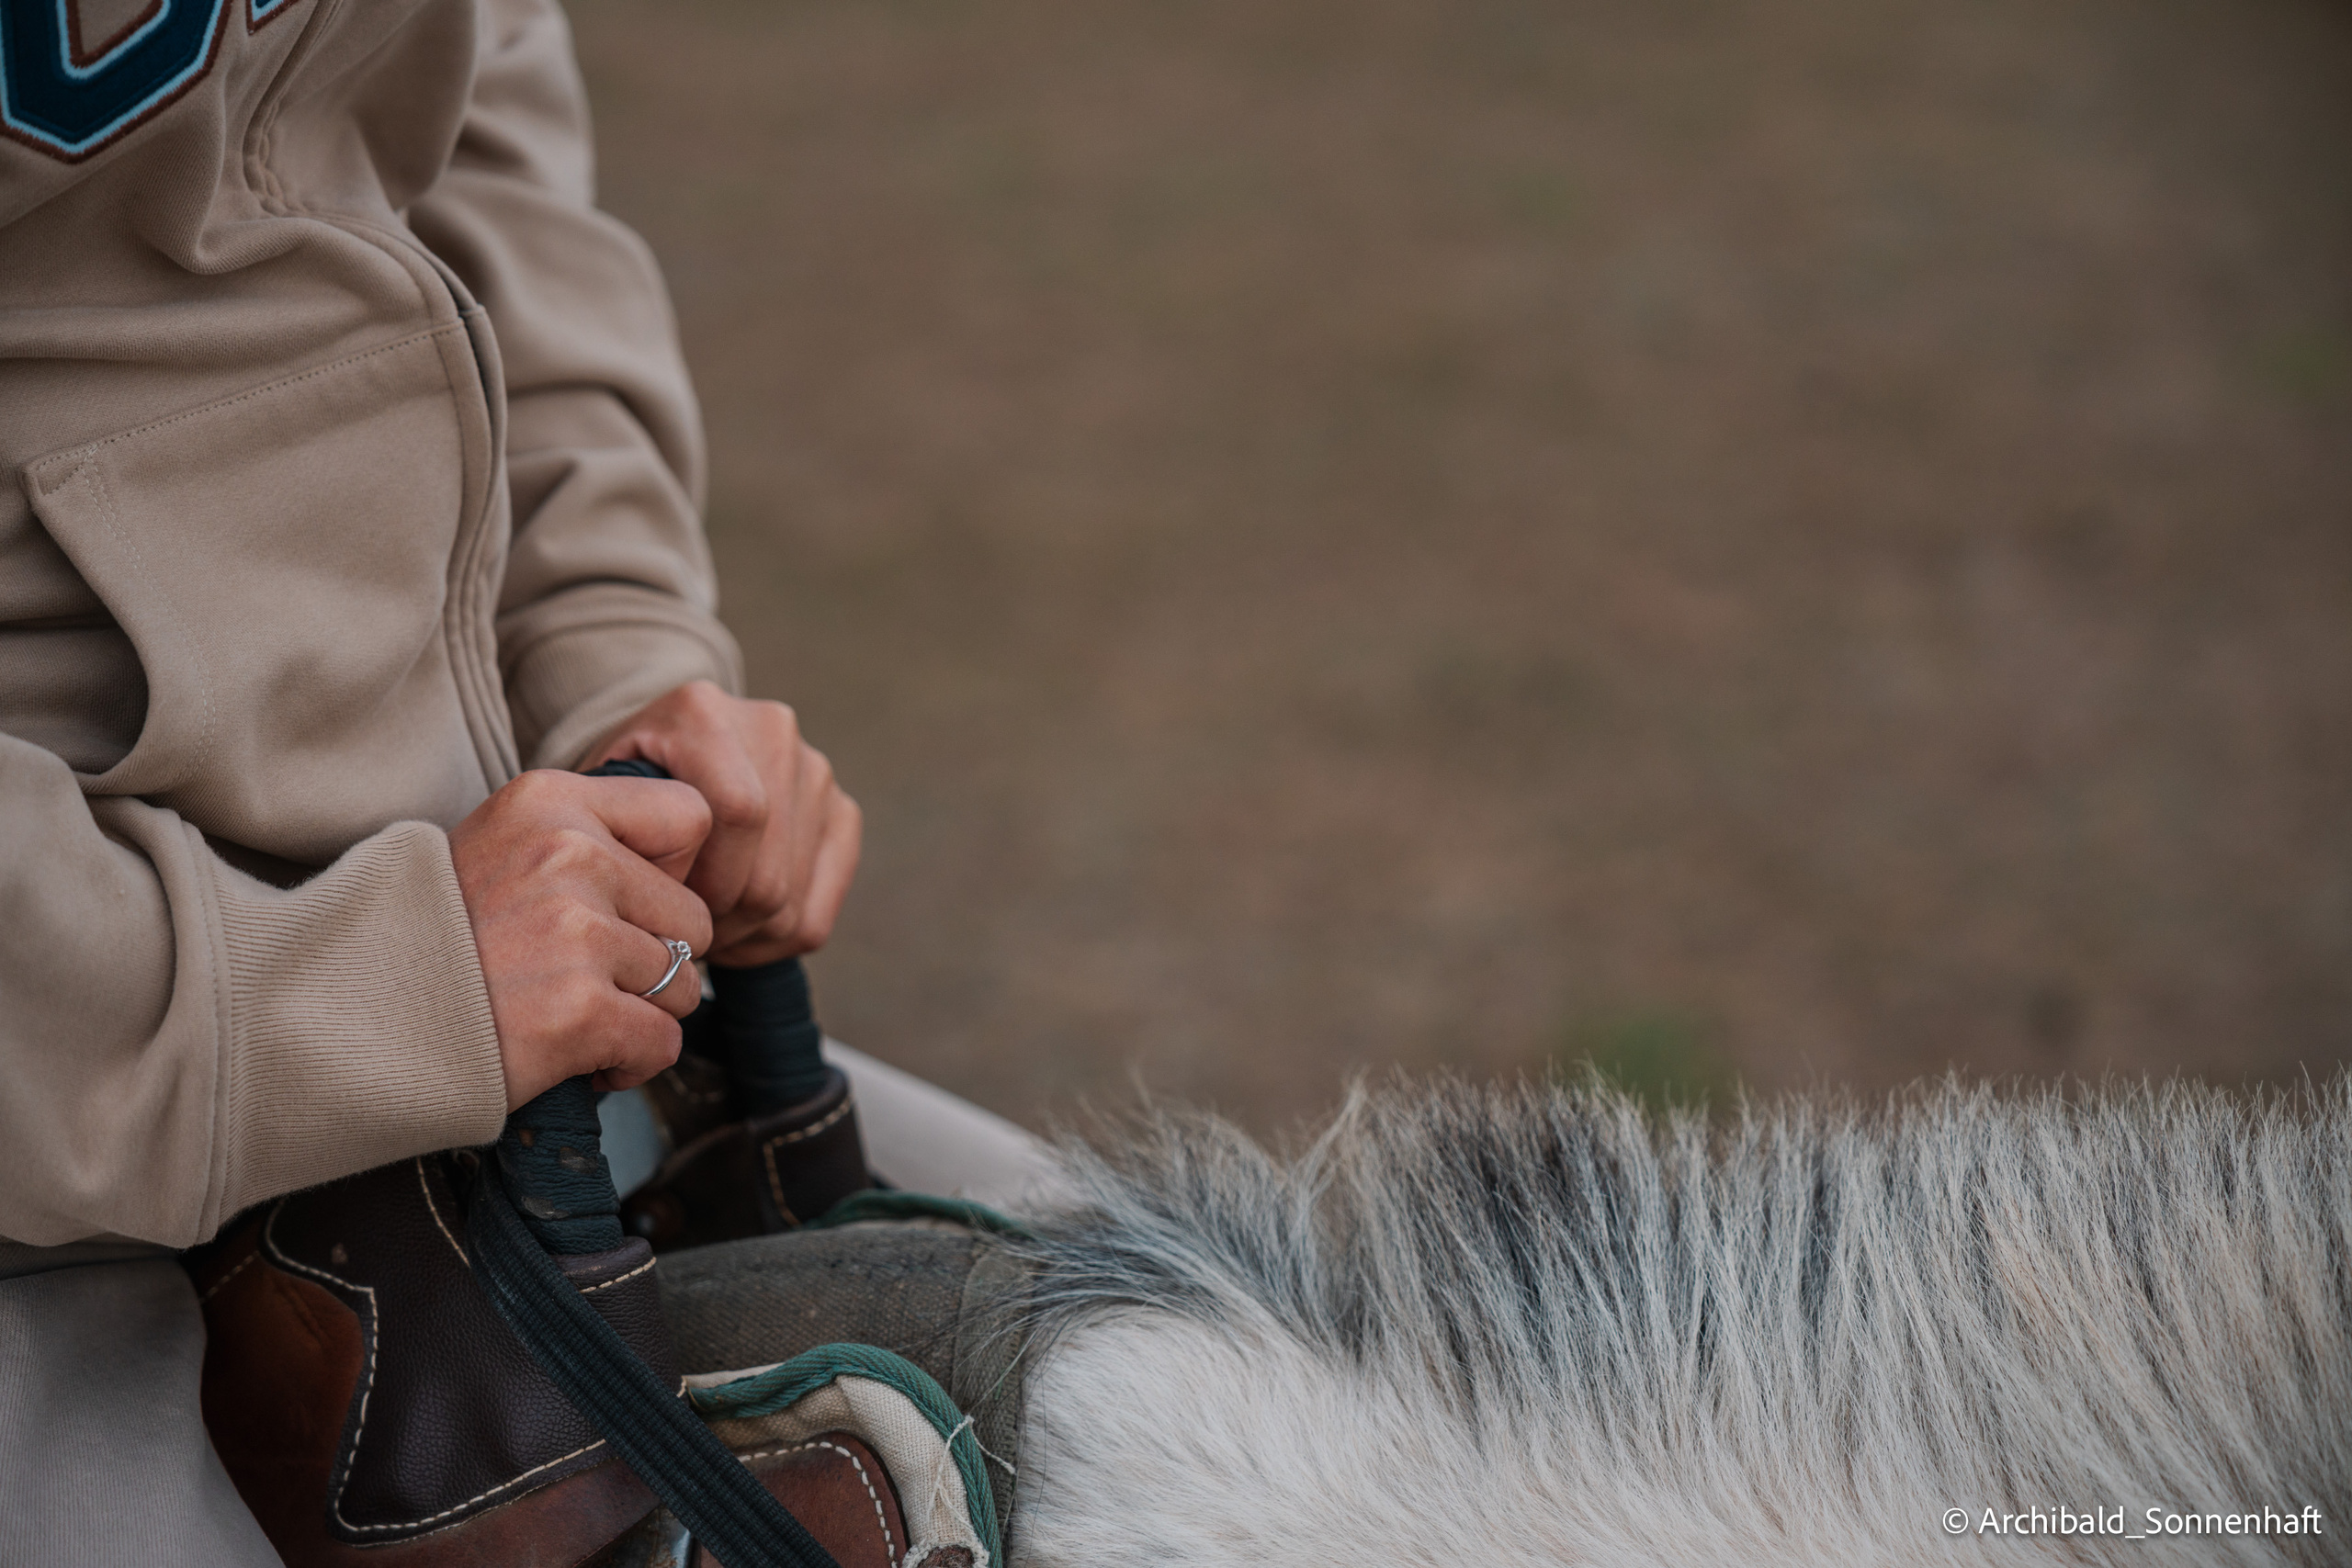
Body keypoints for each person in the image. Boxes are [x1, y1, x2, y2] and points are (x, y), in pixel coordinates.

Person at [0, 0, 1002, 1557]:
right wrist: (300, 1005)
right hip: (62, 1120)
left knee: (1207, 1380)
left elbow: (470, 123)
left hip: (476, 961)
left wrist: (611, 655)